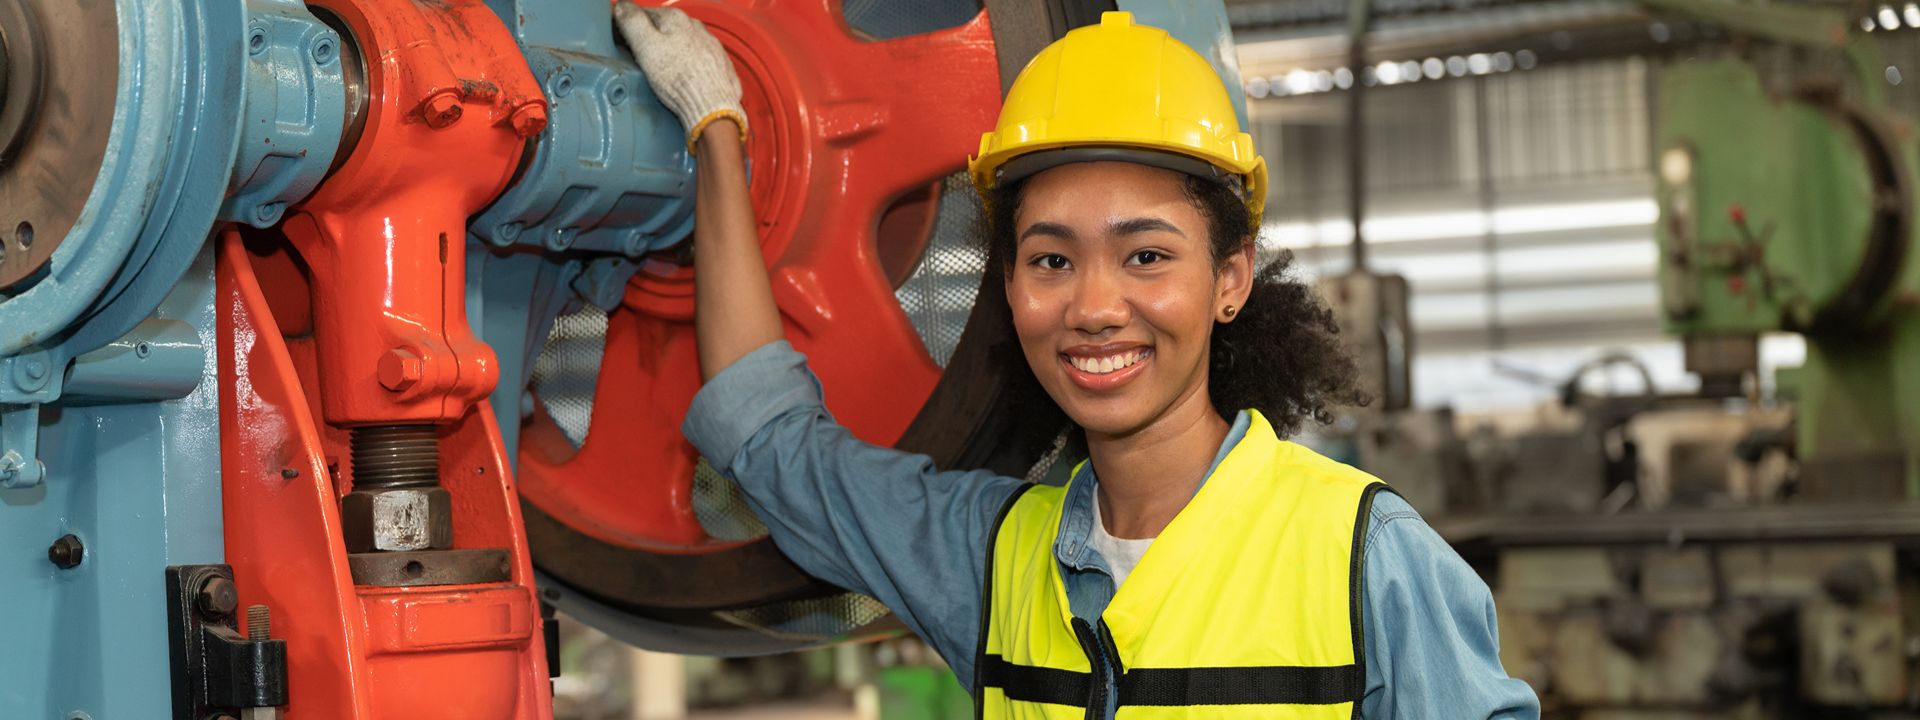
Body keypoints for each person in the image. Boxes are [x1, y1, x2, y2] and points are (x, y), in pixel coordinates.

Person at [616, 6, 1540, 718]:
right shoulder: (984, 558)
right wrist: (721, 131)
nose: (1095, 308)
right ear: (1007, 287)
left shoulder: (1366, 559)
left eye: (1147, 256)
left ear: (1230, 277)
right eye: (1051, 260)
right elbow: (764, 432)